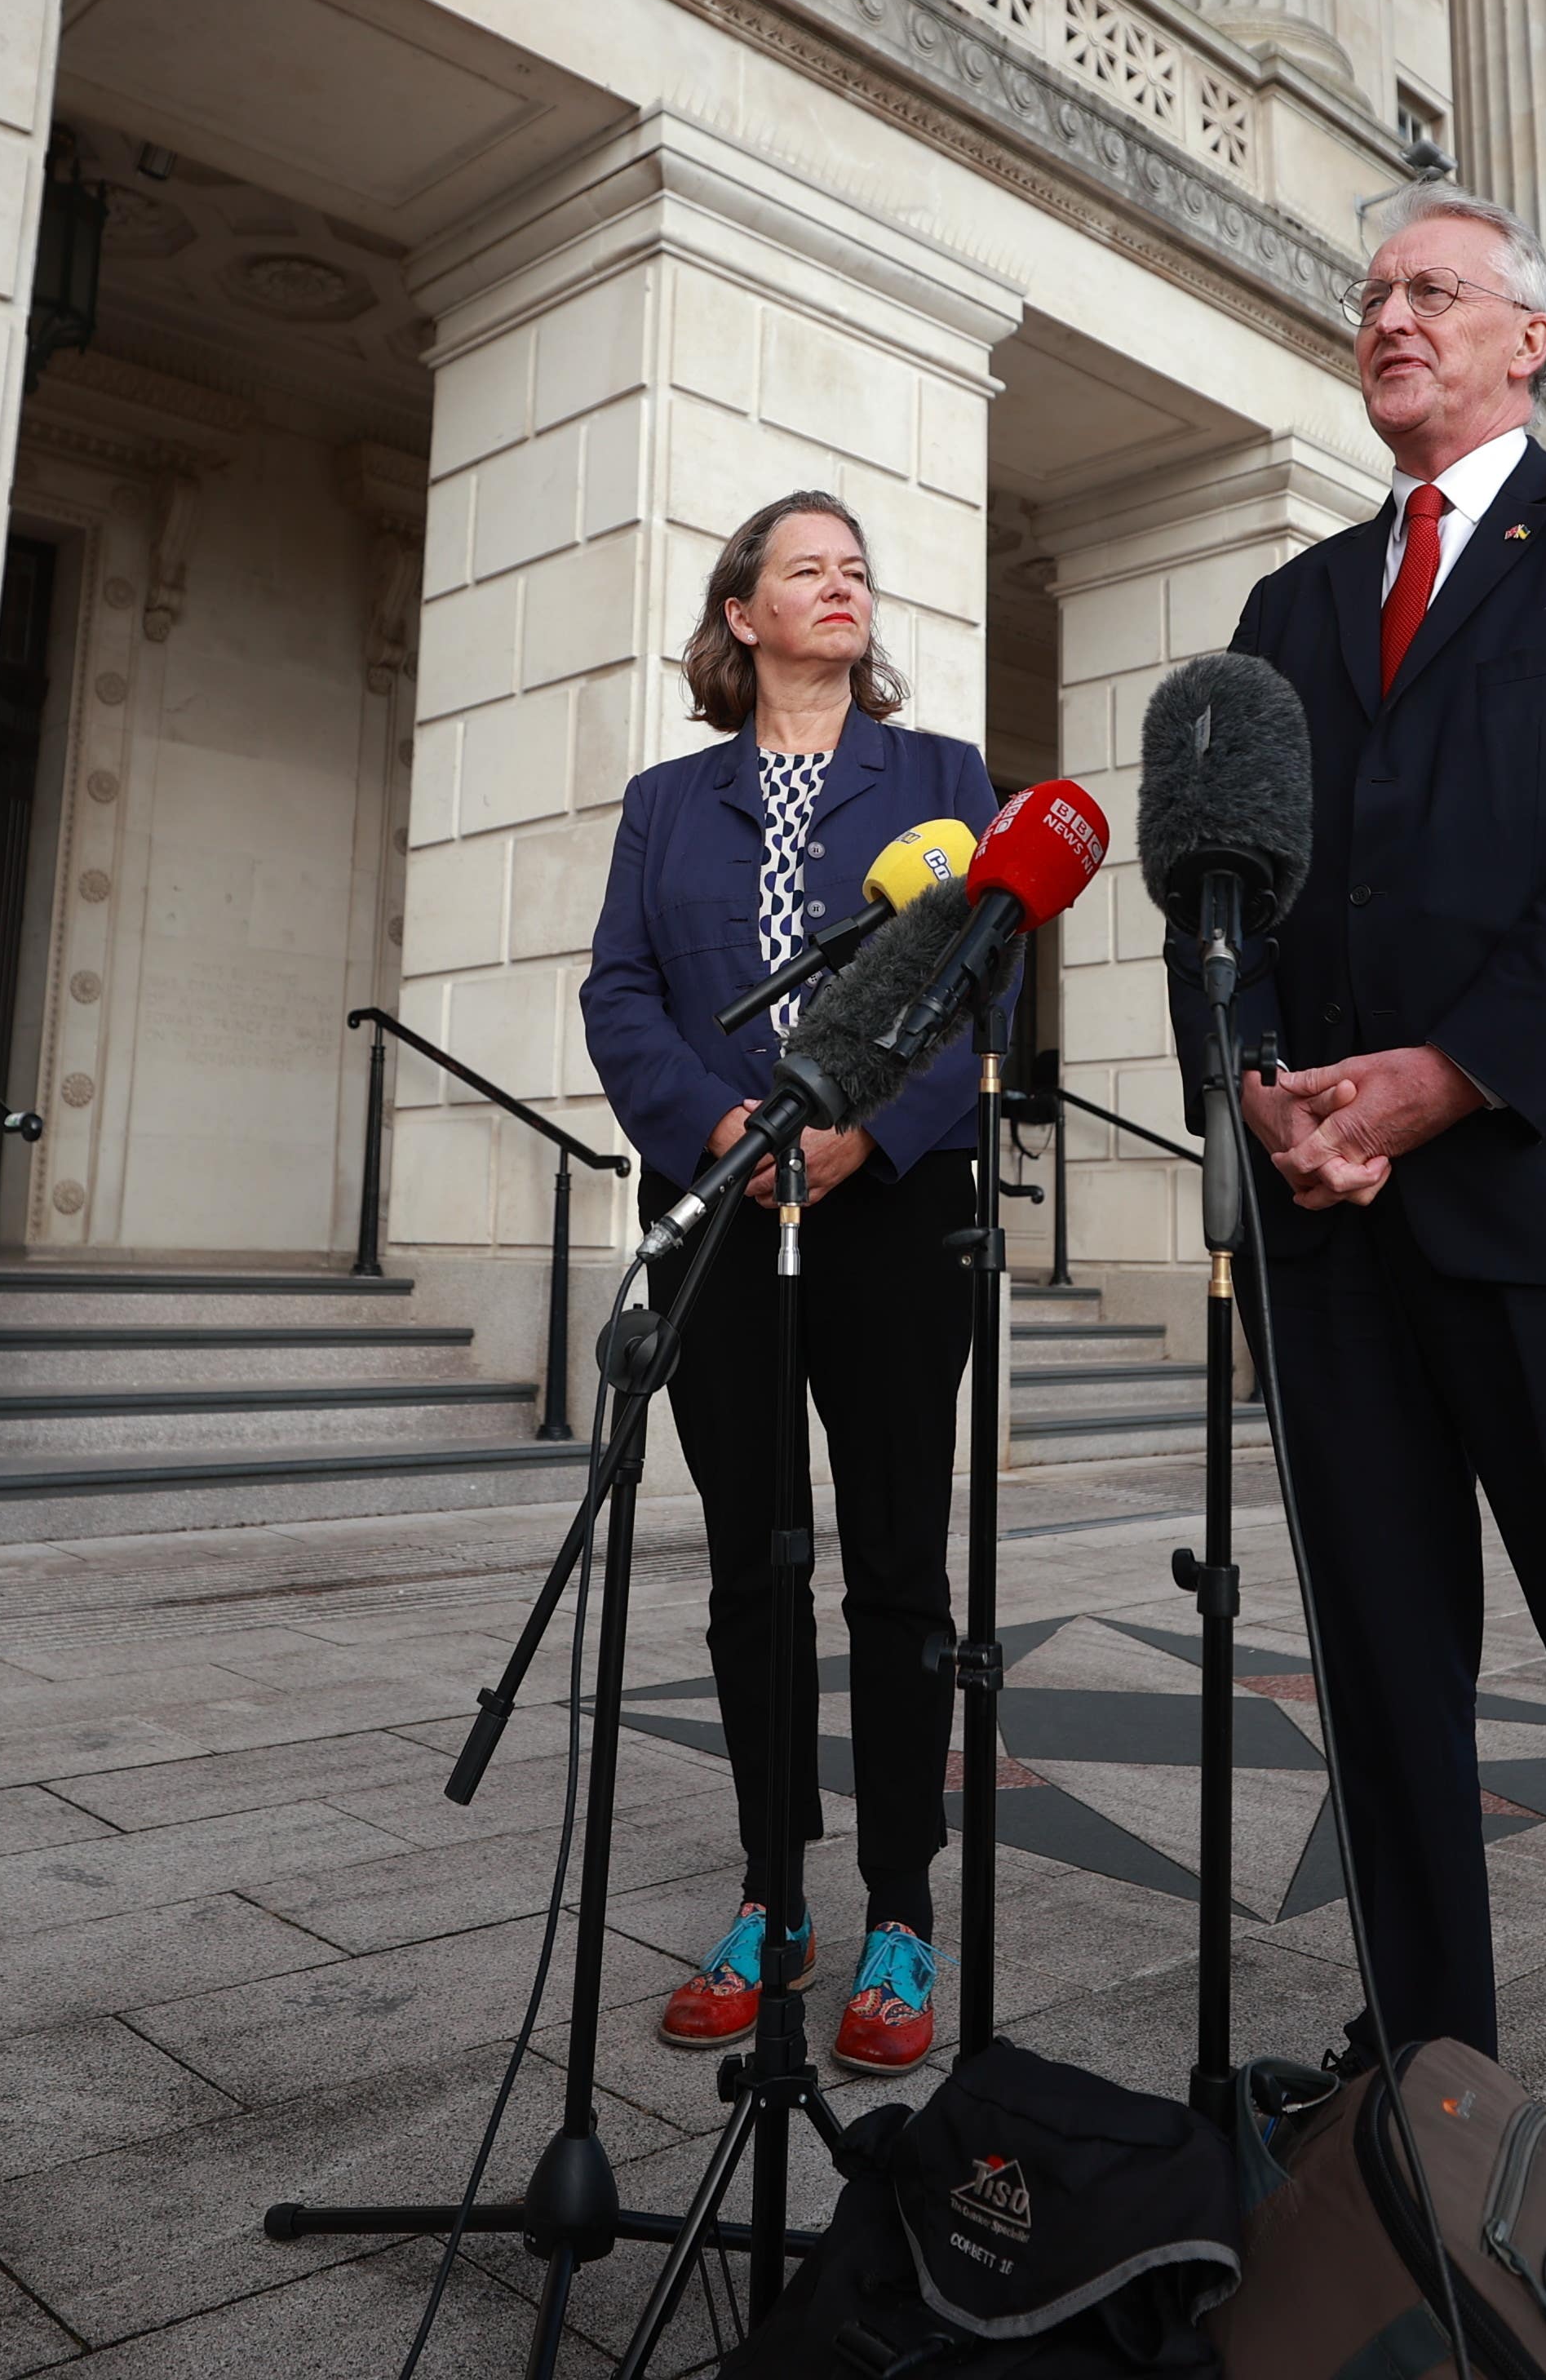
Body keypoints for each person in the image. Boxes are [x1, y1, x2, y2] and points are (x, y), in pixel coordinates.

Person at [1186, 187, 1546, 2289]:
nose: (1390, 320)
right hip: (1341, 1237)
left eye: (1432, 291)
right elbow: (1234, 901)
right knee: (1386, 1700)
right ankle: (1429, 2093)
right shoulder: (1288, 602)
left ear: (1532, 339)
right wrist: (1265, 1087)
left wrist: (1450, 1078)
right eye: (1370, 298)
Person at [582, 488, 1002, 2076]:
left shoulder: (946, 783)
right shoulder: (667, 802)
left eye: (858, 571)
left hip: (893, 1214)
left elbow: (981, 991)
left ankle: (902, 1905)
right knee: (754, 1565)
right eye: (804, 569)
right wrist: (717, 1131)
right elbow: (620, 989)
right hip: (715, 1214)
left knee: (897, 1563)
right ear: (741, 615)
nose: (842, 587)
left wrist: (859, 1134)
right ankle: (776, 1895)